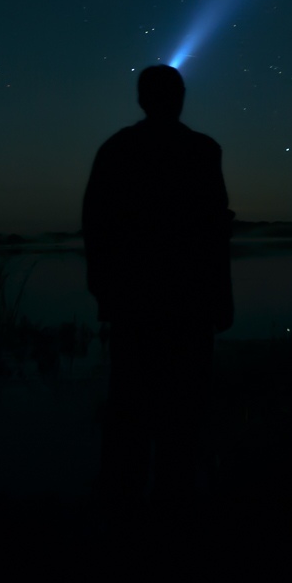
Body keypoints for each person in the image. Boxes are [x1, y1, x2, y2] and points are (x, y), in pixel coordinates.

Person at [82, 64, 234, 506]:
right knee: (182, 418)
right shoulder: (203, 151)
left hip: (135, 307)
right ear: (179, 96)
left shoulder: (117, 149)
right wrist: (221, 301)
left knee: (130, 414)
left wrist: (105, 294)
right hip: (187, 308)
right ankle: (171, 508)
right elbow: (213, 234)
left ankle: (125, 510)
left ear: (140, 99)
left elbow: (96, 227)